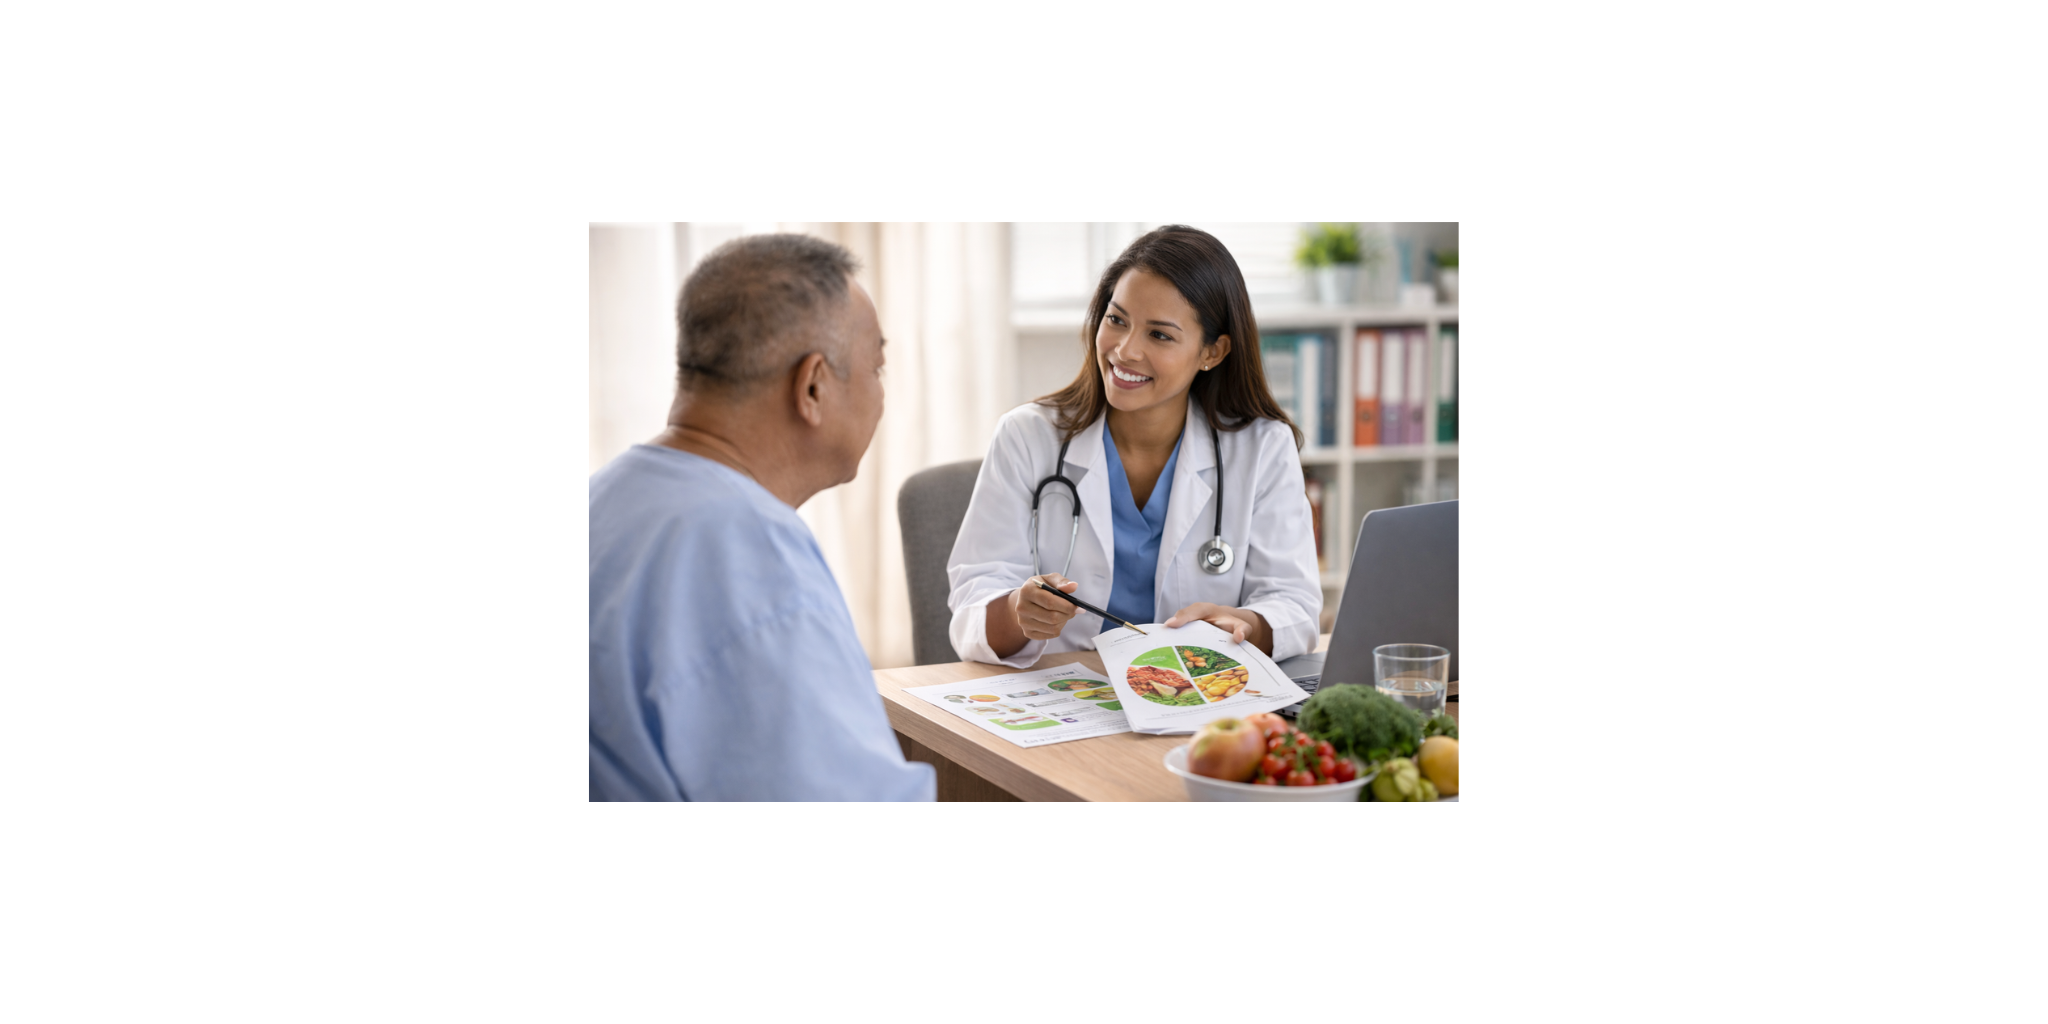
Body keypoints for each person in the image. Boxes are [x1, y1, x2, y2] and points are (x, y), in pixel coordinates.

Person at [590, 234, 934, 801]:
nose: (880, 395)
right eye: (877, 368)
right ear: (814, 386)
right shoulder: (747, 555)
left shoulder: (604, 499)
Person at [947, 225, 1322, 668]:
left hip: (1198, 697)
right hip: (1066, 699)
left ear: (1213, 352)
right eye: (1116, 320)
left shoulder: (1261, 448)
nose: (1124, 351)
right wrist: (1017, 611)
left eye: (1159, 335)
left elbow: (1294, 604)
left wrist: (1245, 625)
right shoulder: (1026, 437)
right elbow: (971, 606)